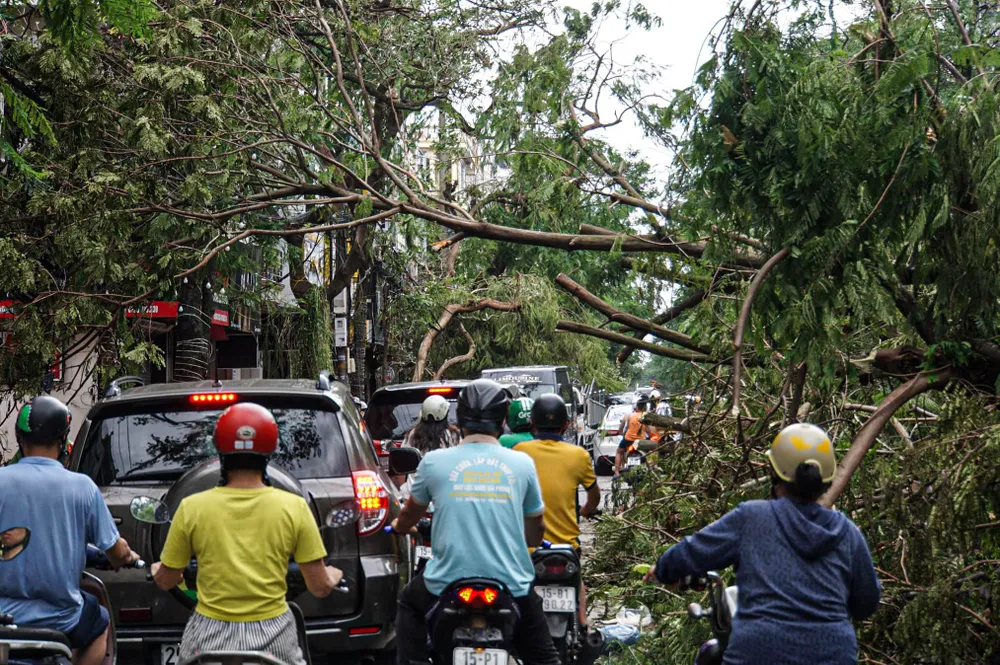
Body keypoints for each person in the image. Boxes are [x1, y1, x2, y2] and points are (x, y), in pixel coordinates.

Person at [644, 423, 881, 665]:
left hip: (758, 653)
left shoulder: (752, 517)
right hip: (834, 655)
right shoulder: (848, 533)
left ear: (774, 472)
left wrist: (663, 570)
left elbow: (693, 551)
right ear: (826, 480)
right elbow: (866, 604)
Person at [151, 403, 344, 665]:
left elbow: (166, 580)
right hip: (274, 637)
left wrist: (158, 570)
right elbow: (319, 587)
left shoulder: (191, 508)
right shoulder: (293, 507)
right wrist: (332, 576)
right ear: (269, 450)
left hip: (208, 637)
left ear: (220, 450)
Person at [390, 379, 559, 665]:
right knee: (544, 658)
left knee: (409, 603)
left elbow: (408, 516)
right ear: (502, 420)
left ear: (460, 418)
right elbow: (535, 531)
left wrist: (399, 527)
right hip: (512, 584)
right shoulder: (521, 464)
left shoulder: (434, 462)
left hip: (445, 582)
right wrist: (530, 537)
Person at [0, 395, 141, 665]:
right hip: (61, 618)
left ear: (20, 438)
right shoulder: (82, 487)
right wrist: (126, 557)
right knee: (99, 621)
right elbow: (114, 548)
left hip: (4, 616)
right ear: (63, 440)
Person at [514, 394, 600, 628]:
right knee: (577, 582)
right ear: (566, 425)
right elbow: (595, 497)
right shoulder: (579, 455)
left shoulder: (520, 451)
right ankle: (582, 624)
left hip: (528, 548)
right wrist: (585, 510)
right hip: (567, 548)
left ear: (532, 422)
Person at [614, 399, 648, 477]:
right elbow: (650, 430)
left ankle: (616, 472)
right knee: (651, 451)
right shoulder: (646, 416)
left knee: (619, 452)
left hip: (628, 440)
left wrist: (621, 433)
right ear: (645, 407)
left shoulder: (629, 415)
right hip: (640, 441)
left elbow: (622, 429)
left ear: (637, 407)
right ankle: (652, 468)